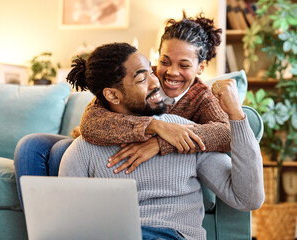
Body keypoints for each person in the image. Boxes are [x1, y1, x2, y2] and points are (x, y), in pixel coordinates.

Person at [59, 42, 265, 240]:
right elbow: (69, 223)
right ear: (112, 95)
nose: (155, 82)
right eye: (141, 79)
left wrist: (236, 114)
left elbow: (248, 198)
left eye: (151, 71)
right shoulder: (84, 147)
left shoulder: (185, 133)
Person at [75, 11, 231, 174]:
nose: (172, 72)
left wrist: (160, 142)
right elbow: (90, 121)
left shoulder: (203, 97)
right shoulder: (141, 79)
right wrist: (156, 126)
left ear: (201, 67)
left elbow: (226, 134)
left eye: (184, 65)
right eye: (164, 61)